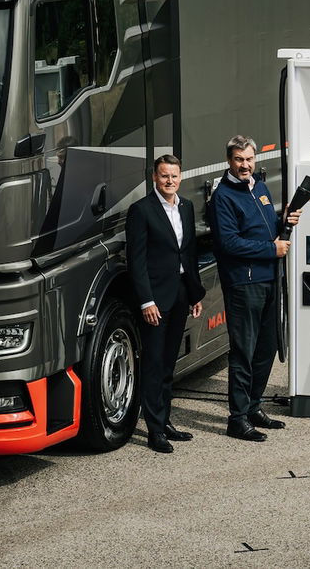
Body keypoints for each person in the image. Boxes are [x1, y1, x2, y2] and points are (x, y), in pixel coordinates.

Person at [209, 134, 298, 441]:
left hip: (271, 279)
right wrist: (269, 250)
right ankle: (237, 418)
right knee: (244, 352)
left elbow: (268, 227)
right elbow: (229, 243)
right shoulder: (223, 197)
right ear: (229, 161)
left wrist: (284, 219)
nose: (244, 165)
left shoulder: (258, 186)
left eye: (249, 159)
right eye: (239, 159)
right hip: (244, 284)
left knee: (267, 346)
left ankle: (253, 406)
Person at [126, 154, 205, 453]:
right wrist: (146, 301)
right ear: (154, 178)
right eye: (164, 176)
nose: (169, 181)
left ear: (180, 177)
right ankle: (154, 430)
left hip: (181, 293)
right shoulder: (141, 211)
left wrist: (195, 294)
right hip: (156, 300)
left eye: (174, 176)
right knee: (154, 362)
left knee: (169, 362)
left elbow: (189, 253)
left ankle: (165, 420)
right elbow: (137, 262)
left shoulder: (185, 207)